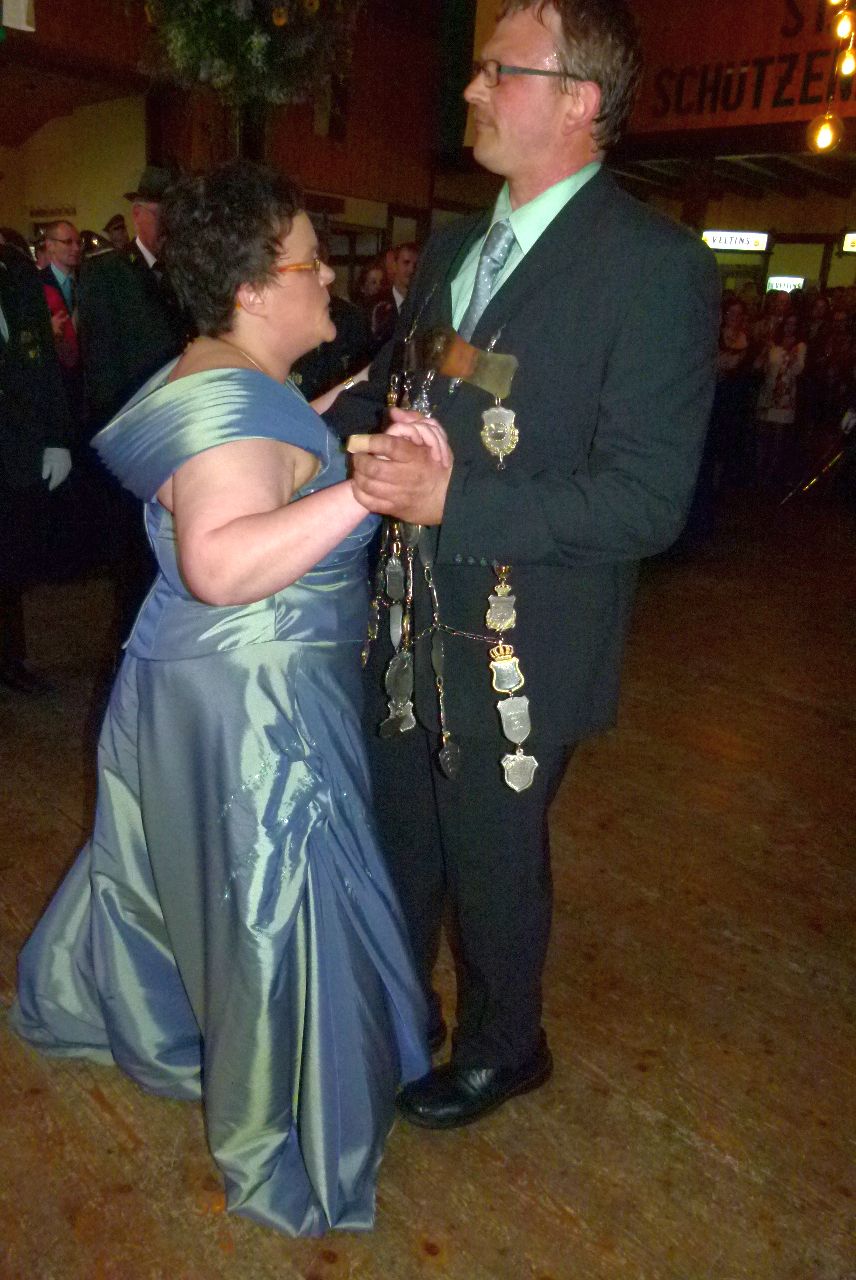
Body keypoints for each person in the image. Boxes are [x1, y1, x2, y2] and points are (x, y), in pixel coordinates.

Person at [9, 160, 438, 1235]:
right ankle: (283, 1113)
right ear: (252, 288)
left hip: (198, 678)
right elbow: (219, 559)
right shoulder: (234, 403)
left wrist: (331, 411)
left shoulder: (219, 369)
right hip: (257, 702)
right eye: (311, 264)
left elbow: (256, 449)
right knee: (270, 903)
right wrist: (364, 489)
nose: (329, 281)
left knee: (189, 871)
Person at [326, 0, 720, 1129]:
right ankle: (402, 1010)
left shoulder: (654, 267)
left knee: (492, 860)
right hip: (407, 611)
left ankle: (509, 1043)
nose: (470, 89)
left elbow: (647, 498)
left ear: (579, 101)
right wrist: (283, 418)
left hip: (525, 635)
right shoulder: (457, 245)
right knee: (402, 836)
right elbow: (413, 381)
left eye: (498, 71)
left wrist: (456, 499)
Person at [0, 233, 73, 694]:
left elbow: (43, 362)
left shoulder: (16, 271)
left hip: (16, 445)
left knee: (9, 561)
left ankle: (10, 659)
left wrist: (57, 439)